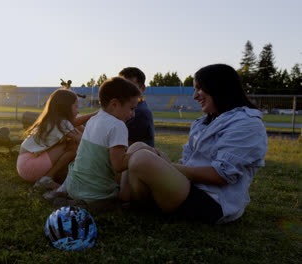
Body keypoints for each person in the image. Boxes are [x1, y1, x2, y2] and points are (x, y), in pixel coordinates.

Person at [122, 64, 268, 224]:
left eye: (199, 89)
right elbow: (188, 161)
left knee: (142, 158)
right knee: (137, 148)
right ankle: (129, 201)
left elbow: (220, 176)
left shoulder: (247, 124)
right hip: (188, 188)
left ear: (217, 87)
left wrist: (170, 167)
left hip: (211, 201)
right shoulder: (203, 122)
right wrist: (169, 167)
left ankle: (129, 203)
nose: (194, 96)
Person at [64, 77, 141, 203]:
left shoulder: (93, 119)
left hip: (74, 188)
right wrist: (142, 153)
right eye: (131, 109)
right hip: (98, 194)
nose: (133, 114)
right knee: (138, 150)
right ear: (114, 104)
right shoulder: (118, 125)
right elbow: (119, 165)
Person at [17, 89, 96, 185]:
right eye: (76, 106)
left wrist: (96, 114)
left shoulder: (54, 119)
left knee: (72, 142)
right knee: (73, 145)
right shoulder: (62, 123)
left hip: (24, 165)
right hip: (30, 167)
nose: (78, 110)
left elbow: (76, 122)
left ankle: (53, 176)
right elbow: (84, 141)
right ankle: (46, 179)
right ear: (66, 108)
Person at [118, 67, 155, 147]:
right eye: (122, 86)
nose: (125, 91)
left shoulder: (140, 113)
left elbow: (120, 145)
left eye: (131, 87)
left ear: (142, 89)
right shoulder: (136, 107)